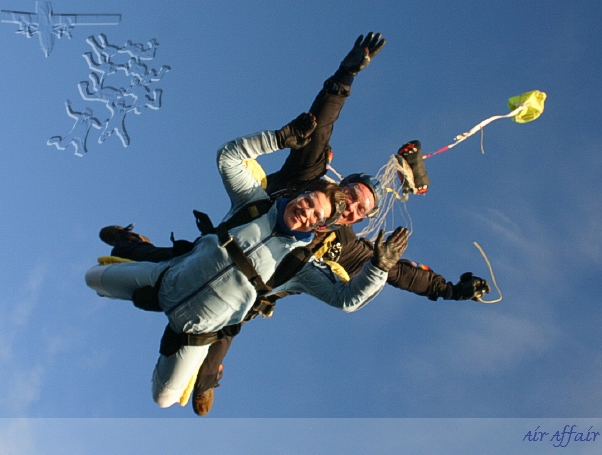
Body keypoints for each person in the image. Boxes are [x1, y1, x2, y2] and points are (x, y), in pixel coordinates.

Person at [99, 32, 490, 415]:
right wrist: (344, 77)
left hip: (247, 294)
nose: (352, 208)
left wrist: (453, 289)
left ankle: (206, 379)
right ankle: (130, 242)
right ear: (341, 184)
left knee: (212, 354)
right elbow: (319, 126)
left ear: (361, 221)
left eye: (360, 211)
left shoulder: (349, 246)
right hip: (224, 244)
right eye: (352, 196)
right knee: (160, 259)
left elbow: (402, 274)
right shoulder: (309, 180)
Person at [86, 113, 409, 409]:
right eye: (308, 201)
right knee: (93, 277)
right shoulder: (255, 202)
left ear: (323, 226)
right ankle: (129, 245)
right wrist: (280, 137)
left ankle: (206, 378)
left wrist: (382, 269)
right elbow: (230, 155)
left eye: (315, 215)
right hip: (167, 276)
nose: (306, 211)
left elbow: (347, 300)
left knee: (165, 398)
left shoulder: (305, 262)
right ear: (301, 193)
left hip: (199, 327)